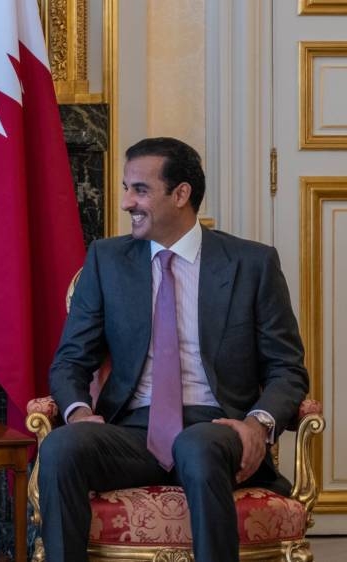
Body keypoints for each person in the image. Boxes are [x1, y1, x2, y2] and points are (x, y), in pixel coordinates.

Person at [39, 137, 309, 562]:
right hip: (131, 431)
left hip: (218, 427)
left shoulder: (251, 264)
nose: (127, 202)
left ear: (181, 194)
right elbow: (71, 360)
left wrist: (258, 424)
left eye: (139, 190)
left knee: (196, 445)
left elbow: (287, 368)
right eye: (127, 188)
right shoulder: (106, 260)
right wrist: (77, 412)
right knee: (61, 447)